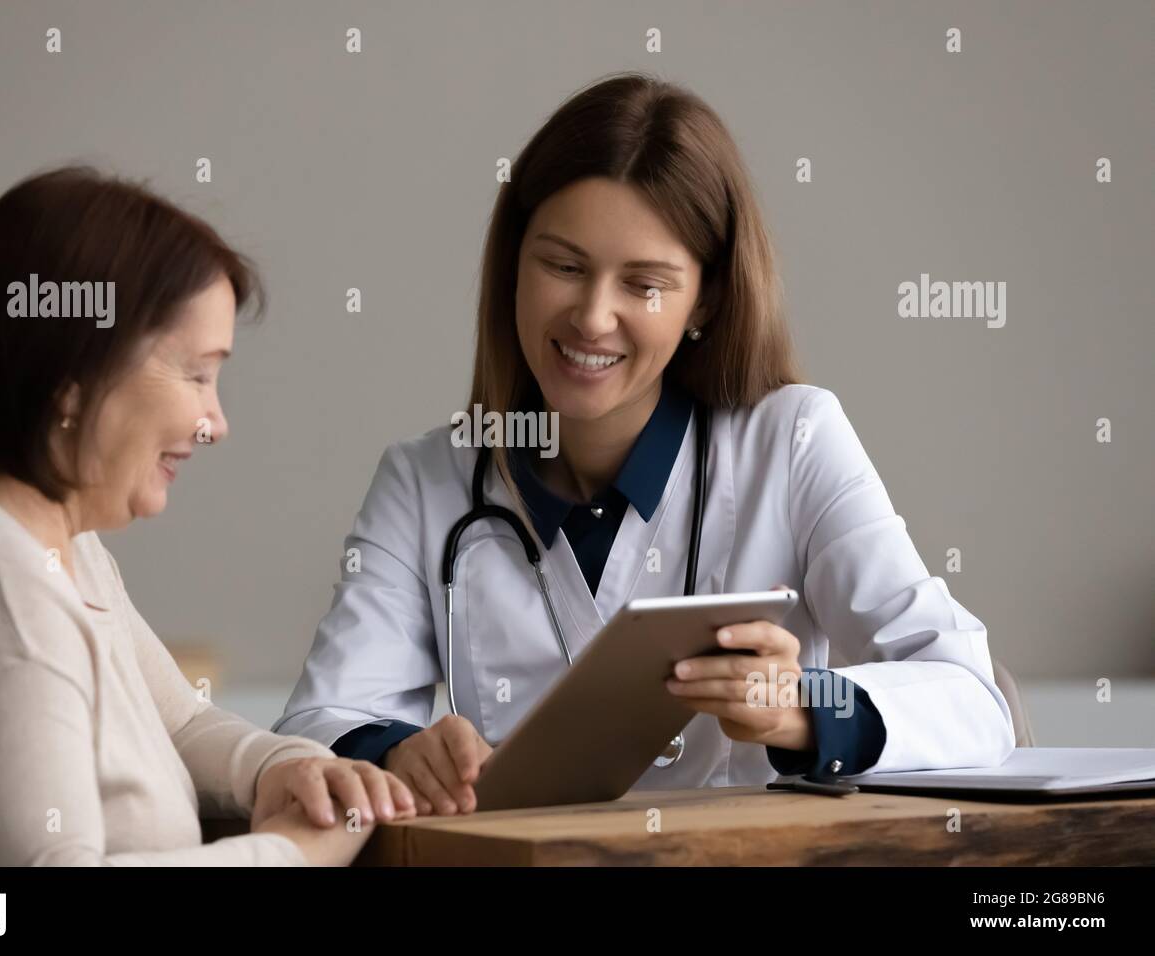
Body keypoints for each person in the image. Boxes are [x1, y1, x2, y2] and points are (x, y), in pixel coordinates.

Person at [275, 73, 1015, 816]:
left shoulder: (791, 440)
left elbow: (973, 695)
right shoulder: (425, 480)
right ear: (513, 268)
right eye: (563, 266)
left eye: (645, 284)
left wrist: (801, 708)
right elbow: (315, 725)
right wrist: (400, 751)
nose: (593, 318)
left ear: (708, 298)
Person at [0, 166, 414, 865]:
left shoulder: (27, 522)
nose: (216, 422)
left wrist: (281, 768)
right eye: (197, 374)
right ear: (75, 376)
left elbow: (174, 719)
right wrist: (290, 855)